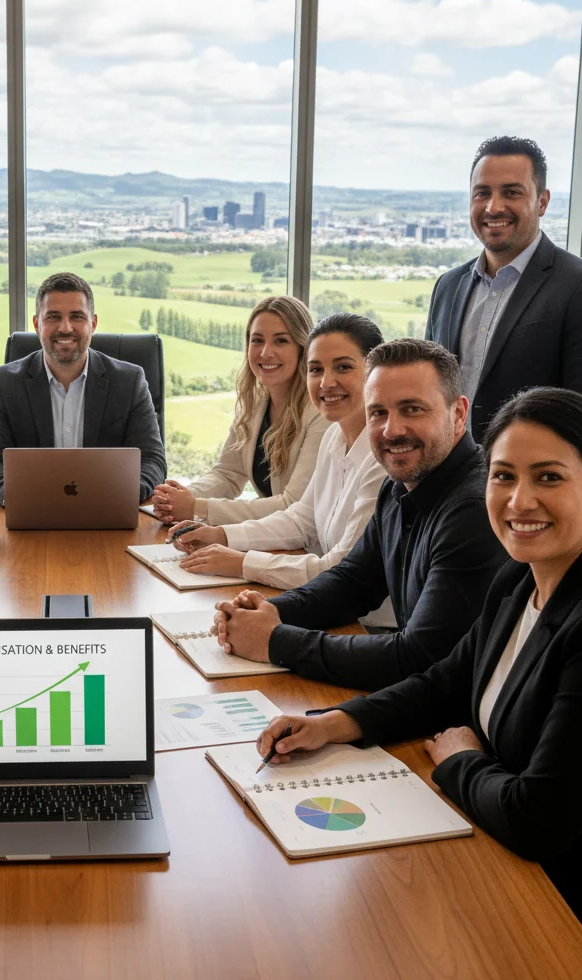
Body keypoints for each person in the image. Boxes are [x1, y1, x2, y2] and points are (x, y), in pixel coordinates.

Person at [255, 387, 582, 918]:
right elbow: (443, 682)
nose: (520, 500)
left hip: (554, 902)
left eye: (549, 477)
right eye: (504, 476)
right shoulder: (517, 582)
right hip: (492, 850)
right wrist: (336, 723)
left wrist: (460, 761)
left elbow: (536, 819)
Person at [213, 338, 507, 691]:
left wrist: (274, 641)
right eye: (378, 412)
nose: (391, 430)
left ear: (458, 414)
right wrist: (272, 611)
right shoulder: (400, 484)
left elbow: (417, 657)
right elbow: (353, 582)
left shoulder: (473, 510)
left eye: (412, 409)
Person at [172, 314, 395, 628]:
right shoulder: (335, 435)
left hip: (369, 627)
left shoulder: (384, 459)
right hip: (330, 610)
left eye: (343, 367)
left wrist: (243, 563)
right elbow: (301, 518)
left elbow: (340, 569)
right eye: (316, 369)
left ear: (374, 373)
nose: (326, 382)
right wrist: (222, 535)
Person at [425, 135, 582, 441]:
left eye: (511, 192)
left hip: (528, 479)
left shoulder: (576, 286)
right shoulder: (447, 286)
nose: (494, 207)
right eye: (482, 193)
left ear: (542, 201)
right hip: (450, 481)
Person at [0, 271, 166, 503]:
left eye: (77, 317)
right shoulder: (4, 383)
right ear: (36, 324)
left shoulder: (130, 381)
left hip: (108, 514)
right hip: (30, 516)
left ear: (92, 324)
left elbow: (152, 461)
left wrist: (119, 496)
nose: (65, 328)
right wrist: (19, 499)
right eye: (53, 317)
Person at [150, 295, 328, 526]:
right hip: (271, 537)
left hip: (307, 547)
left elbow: (292, 504)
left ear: (303, 348)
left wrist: (196, 507)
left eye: (281, 341)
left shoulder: (320, 412)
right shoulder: (255, 402)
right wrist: (179, 497)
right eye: (257, 340)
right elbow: (227, 475)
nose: (266, 352)